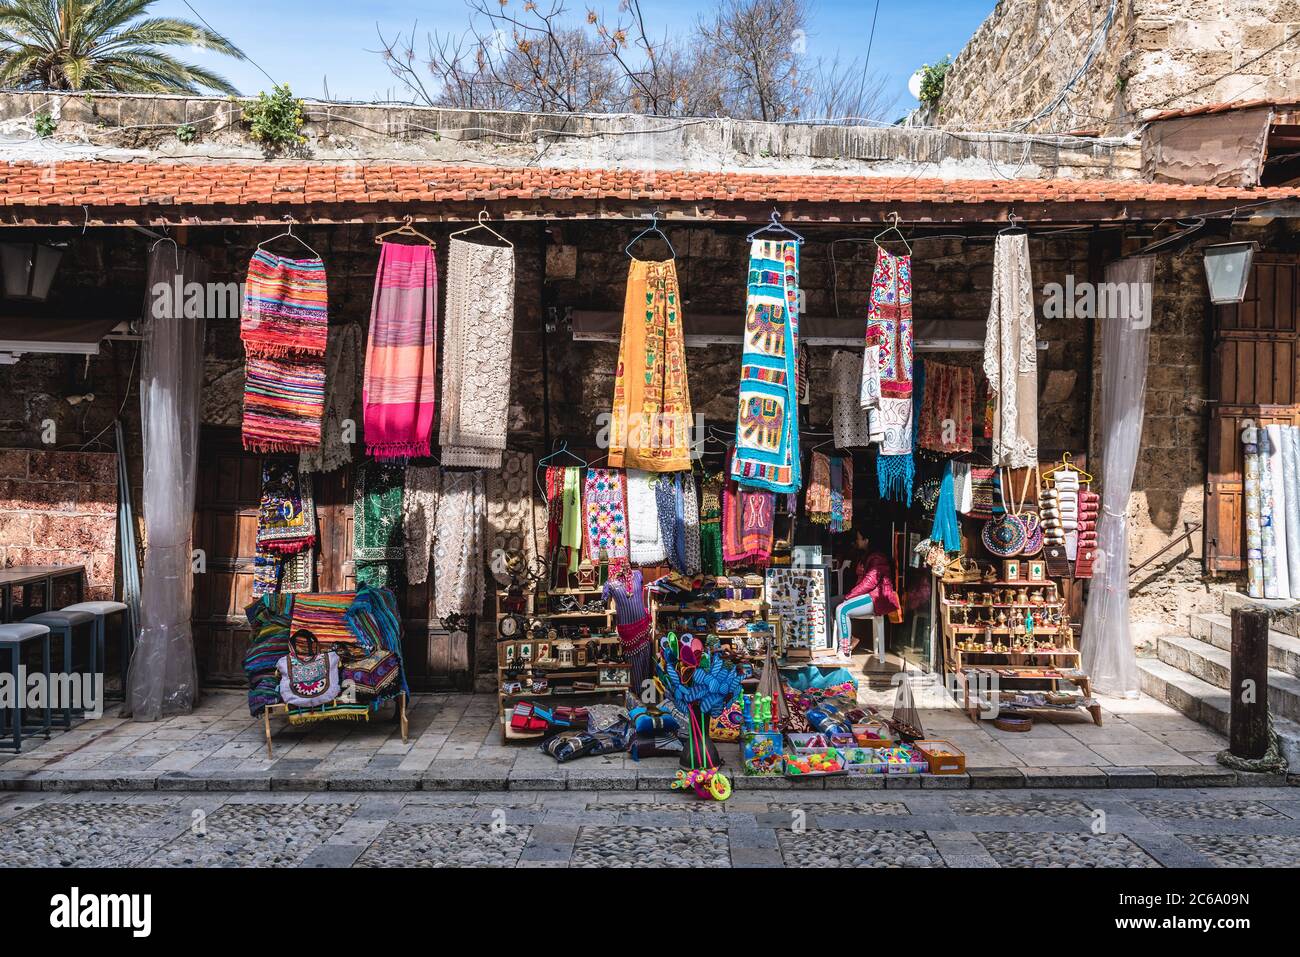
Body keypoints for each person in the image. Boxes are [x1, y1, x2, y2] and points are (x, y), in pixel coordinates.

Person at [834, 530, 899, 658]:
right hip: (866, 595)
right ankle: (850, 638)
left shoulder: (877, 558)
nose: (856, 541)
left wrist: (849, 596)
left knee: (842, 609)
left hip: (876, 598)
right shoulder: (866, 556)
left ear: (866, 540)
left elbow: (869, 583)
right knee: (830, 603)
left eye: (858, 538)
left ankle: (844, 650)